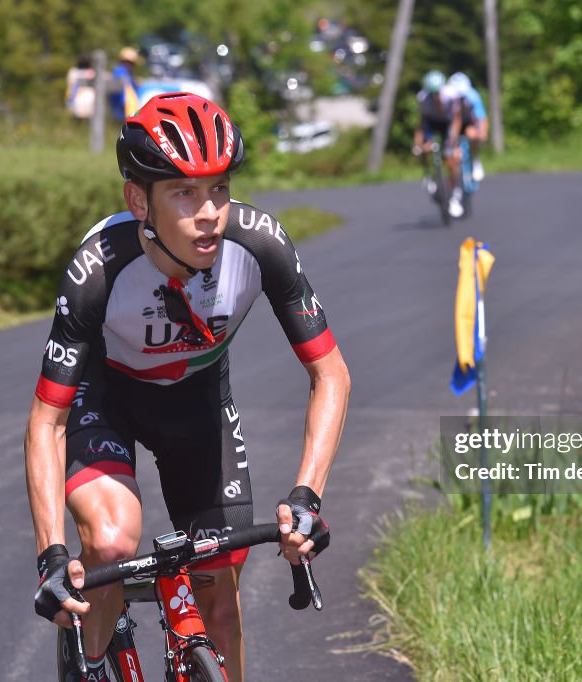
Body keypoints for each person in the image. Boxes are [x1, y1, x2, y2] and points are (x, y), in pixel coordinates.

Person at [27, 92, 350, 682]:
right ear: (137, 200)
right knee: (112, 540)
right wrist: (51, 554)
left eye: (219, 189)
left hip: (199, 407)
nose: (209, 213)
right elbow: (45, 423)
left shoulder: (258, 246)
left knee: (219, 599)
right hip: (107, 400)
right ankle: (91, 663)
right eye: (184, 192)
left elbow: (330, 374)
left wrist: (307, 499)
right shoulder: (99, 268)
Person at [412, 70, 464, 217]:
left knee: (451, 158)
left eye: (437, 92)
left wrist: (453, 138)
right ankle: (428, 175)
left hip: (448, 123)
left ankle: (454, 194)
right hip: (432, 123)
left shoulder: (451, 95)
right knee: (423, 148)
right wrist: (418, 144)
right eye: (432, 93)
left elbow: (457, 119)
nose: (435, 96)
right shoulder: (423, 98)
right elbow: (422, 123)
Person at [447, 72, 488, 182]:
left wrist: (483, 132)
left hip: (468, 121)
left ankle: (475, 159)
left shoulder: (473, 96)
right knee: (450, 149)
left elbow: (481, 117)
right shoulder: (447, 97)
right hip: (452, 122)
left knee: (473, 134)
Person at [109, 47, 142, 121]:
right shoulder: (120, 72)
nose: (132, 66)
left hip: (122, 111)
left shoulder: (126, 73)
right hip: (121, 111)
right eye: (131, 63)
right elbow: (125, 97)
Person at [66, 53, 97, 120]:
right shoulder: (92, 73)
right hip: (91, 103)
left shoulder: (73, 72)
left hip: (76, 102)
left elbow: (70, 88)